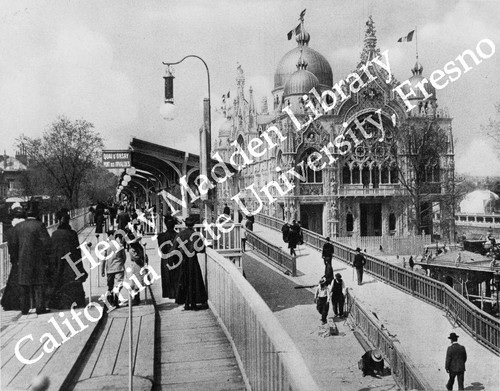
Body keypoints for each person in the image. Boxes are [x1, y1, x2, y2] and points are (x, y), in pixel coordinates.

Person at [11, 203, 51, 315]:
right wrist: (46, 257)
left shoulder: (18, 227)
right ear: (36, 214)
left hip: (23, 260)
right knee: (39, 284)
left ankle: (24, 309)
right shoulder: (40, 225)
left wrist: (15, 260)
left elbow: (13, 245)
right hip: (38, 260)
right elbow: (47, 243)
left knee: (24, 285)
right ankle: (40, 307)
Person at [48, 213, 87, 309]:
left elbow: (52, 250)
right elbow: (77, 251)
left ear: (58, 221)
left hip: (59, 263)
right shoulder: (73, 234)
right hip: (71, 263)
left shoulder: (55, 234)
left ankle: (58, 302)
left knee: (59, 281)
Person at [174, 217, 208, 310]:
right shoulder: (195, 235)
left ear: (185, 224)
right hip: (192, 260)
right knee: (193, 281)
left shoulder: (181, 234)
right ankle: (193, 303)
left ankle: (186, 303)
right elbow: (201, 249)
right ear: (193, 225)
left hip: (183, 260)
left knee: (184, 281)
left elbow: (174, 248)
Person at [1, 205, 26, 311]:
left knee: (15, 281)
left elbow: (12, 247)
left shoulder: (11, 231)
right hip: (26, 259)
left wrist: (13, 259)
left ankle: (13, 302)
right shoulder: (25, 228)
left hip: (17, 260)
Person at [101, 230, 127, 307]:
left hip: (109, 269)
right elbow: (124, 257)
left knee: (110, 286)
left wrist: (102, 270)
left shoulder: (106, 246)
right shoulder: (120, 245)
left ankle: (110, 301)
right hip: (119, 268)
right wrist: (121, 264)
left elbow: (103, 259)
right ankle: (116, 301)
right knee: (118, 285)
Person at [157, 217, 180, 299]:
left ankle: (168, 293)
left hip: (165, 258)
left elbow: (160, 248)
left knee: (166, 276)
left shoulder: (161, 236)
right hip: (176, 257)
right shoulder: (177, 235)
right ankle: (175, 293)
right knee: (175, 276)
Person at [128, 232, 148, 305]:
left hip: (137, 265)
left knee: (136, 282)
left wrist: (142, 260)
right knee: (137, 281)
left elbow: (136, 258)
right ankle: (137, 298)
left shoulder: (132, 249)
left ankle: (136, 299)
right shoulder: (140, 247)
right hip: (140, 265)